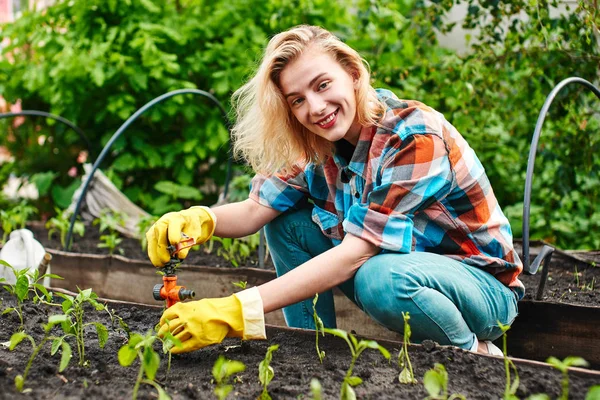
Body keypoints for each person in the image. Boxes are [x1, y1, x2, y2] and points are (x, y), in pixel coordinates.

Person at [146, 25, 524, 355]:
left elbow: (355, 254)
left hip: (481, 292)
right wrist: (200, 219)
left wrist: (234, 311)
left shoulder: (413, 136)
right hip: (395, 275)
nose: (316, 107)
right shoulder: (316, 143)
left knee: (380, 277)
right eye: (297, 100)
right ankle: (311, 350)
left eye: (322, 85)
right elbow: (254, 211)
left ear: (353, 73)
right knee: (284, 224)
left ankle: (473, 354)